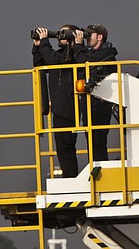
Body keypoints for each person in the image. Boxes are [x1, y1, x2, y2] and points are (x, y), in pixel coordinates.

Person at [32, 25, 85, 178]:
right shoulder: (61, 55)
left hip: (69, 106)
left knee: (66, 145)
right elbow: (40, 65)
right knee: (62, 147)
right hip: (59, 107)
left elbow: (56, 61)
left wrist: (45, 42)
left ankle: (71, 177)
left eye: (64, 33)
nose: (60, 37)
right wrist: (37, 47)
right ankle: (69, 176)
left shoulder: (74, 55)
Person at [79, 24, 118, 162]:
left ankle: (100, 169)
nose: (87, 38)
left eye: (90, 35)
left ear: (100, 37)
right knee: (92, 141)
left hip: (99, 105)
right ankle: (96, 167)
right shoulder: (94, 54)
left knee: (97, 142)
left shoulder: (106, 54)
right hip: (90, 103)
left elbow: (84, 62)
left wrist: (78, 45)